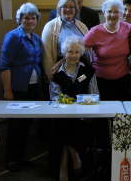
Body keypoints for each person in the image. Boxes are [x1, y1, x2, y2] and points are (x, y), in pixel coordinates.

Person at [0, 3, 44, 171]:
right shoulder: (12, 37)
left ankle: (21, 157)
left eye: (33, 17)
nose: (29, 20)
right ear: (19, 19)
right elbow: (5, 65)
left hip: (32, 87)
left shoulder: (37, 38)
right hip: (17, 88)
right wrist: (7, 90)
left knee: (26, 124)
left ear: (36, 20)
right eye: (26, 17)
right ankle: (11, 160)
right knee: (15, 126)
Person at [50, 36, 99, 181]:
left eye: (77, 52)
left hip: (83, 114)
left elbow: (95, 95)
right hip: (62, 113)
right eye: (70, 52)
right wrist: (66, 106)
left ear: (81, 53)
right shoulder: (57, 73)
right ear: (64, 53)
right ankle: (75, 159)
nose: (73, 55)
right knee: (65, 124)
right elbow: (54, 97)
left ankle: (64, 167)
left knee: (68, 128)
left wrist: (80, 107)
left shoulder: (88, 71)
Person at [84, 0, 131, 100]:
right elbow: (78, 47)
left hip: (123, 80)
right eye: (109, 11)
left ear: (121, 14)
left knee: (121, 113)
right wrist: (62, 61)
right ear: (104, 13)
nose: (113, 15)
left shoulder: (127, 28)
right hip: (100, 80)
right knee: (103, 112)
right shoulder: (95, 31)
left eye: (116, 12)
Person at [42, 0, 89, 80]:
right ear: (59, 9)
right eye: (64, 6)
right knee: (64, 92)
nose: (68, 9)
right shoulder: (50, 27)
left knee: (79, 87)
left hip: (81, 72)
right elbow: (46, 55)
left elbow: (87, 50)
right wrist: (51, 77)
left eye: (72, 7)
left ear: (76, 9)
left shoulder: (82, 26)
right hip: (60, 72)